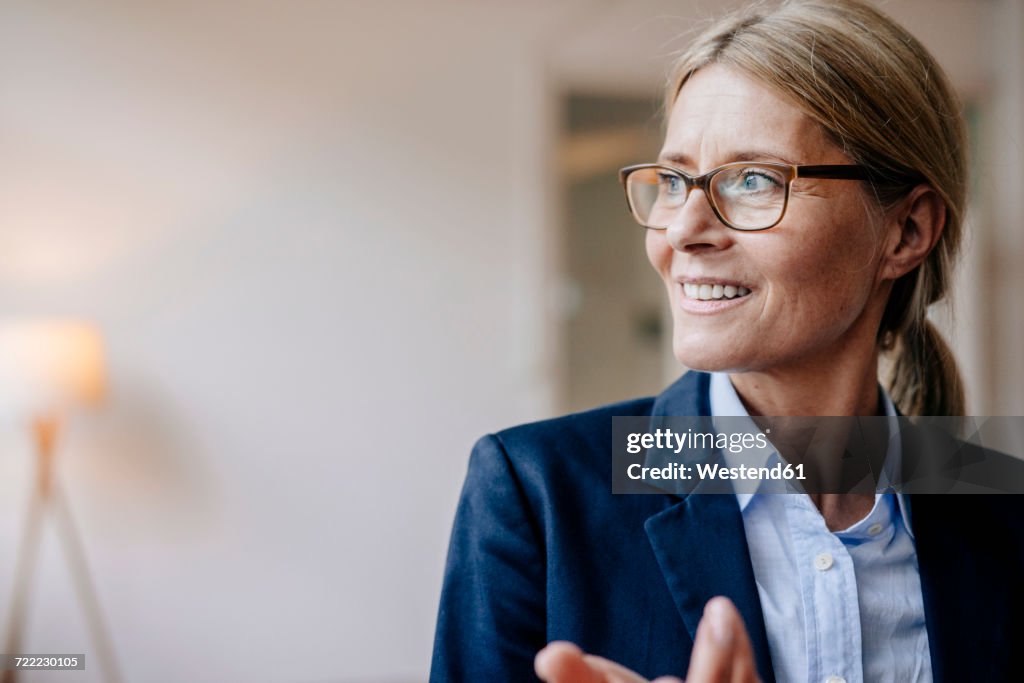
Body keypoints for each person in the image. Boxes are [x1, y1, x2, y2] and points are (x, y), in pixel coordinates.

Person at [430, 1, 1024, 681]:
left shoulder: (1002, 507)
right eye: (674, 180)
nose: (684, 229)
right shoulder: (539, 491)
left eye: (753, 180)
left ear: (907, 231)